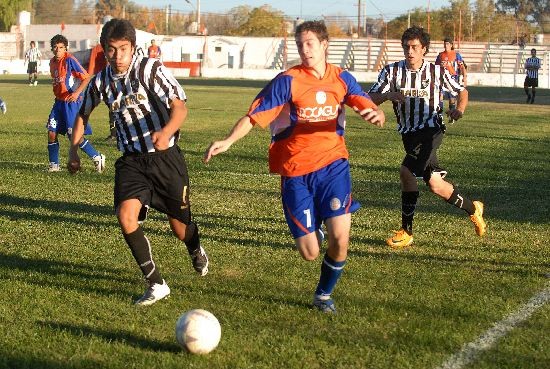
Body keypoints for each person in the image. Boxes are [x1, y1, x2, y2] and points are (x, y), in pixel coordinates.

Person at [204, 20, 385, 313]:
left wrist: (375, 114)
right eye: (300, 44)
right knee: (310, 252)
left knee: (341, 238)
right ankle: (315, 231)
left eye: (310, 43)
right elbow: (254, 116)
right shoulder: (288, 81)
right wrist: (228, 141)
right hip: (296, 173)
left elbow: (366, 103)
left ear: (325, 45)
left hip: (334, 167)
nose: (304, 49)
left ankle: (323, 295)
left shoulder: (341, 78)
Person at [67, 18, 209, 306]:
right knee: (125, 215)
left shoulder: (151, 70)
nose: (117, 56)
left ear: (133, 48)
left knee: (180, 229)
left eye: (123, 49)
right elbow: (83, 114)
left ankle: (195, 248)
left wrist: (166, 131)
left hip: (166, 160)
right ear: (103, 50)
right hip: (132, 161)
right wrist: (72, 151)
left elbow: (179, 107)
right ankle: (156, 283)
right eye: (111, 50)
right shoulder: (101, 81)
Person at [368, 26, 486, 249]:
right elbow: (369, 98)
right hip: (409, 134)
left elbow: (462, 90)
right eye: (406, 47)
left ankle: (406, 231)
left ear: (424, 49)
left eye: (414, 47)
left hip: (432, 130)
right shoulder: (391, 72)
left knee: (406, 172)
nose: (409, 51)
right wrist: (387, 96)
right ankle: (474, 209)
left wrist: (459, 110)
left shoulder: (436, 72)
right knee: (435, 185)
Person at [47, 34, 105, 173]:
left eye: (61, 47)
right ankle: (54, 165)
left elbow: (85, 77)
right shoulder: (52, 62)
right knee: (51, 132)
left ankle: (97, 156)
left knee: (74, 136)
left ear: (65, 48)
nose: (58, 50)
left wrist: (77, 93)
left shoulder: (70, 60)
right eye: (55, 47)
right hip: (59, 103)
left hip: (71, 103)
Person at [87, 43, 117, 142]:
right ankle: (114, 134)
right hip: (111, 84)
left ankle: (116, 134)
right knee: (113, 110)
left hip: (119, 85)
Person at [435, 37, 467, 123]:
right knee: (440, 97)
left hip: (453, 79)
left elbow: (462, 67)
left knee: (452, 100)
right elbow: (436, 67)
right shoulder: (440, 55)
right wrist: (440, 66)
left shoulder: (456, 55)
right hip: (441, 79)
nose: (446, 45)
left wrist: (464, 77)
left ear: (451, 45)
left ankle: (452, 117)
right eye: (445, 43)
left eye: (448, 44)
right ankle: (439, 117)